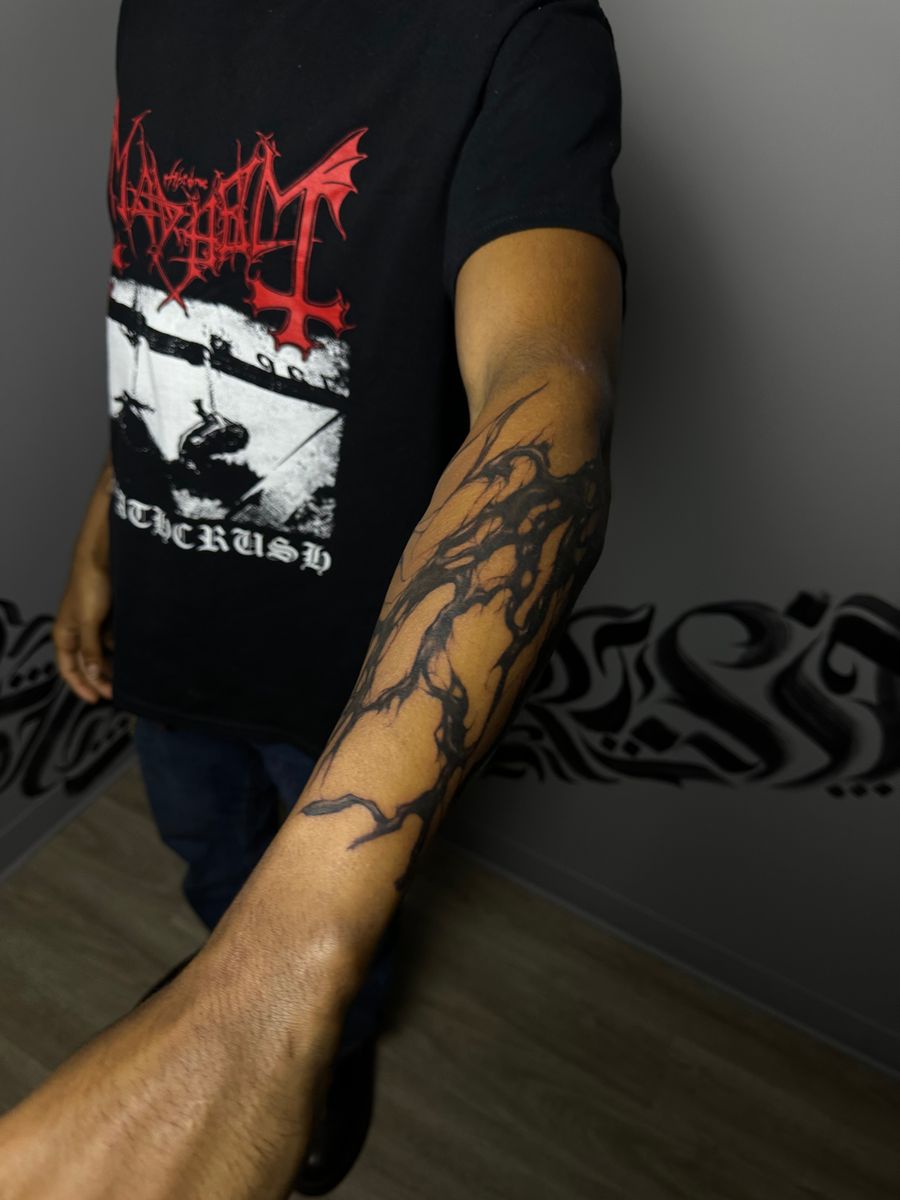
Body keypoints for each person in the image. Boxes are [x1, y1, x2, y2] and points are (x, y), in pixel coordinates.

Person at [2, 2, 627, 1196]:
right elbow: (162, 304)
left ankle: (331, 1054)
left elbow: (545, 394)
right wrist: (102, 532)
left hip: (351, 679)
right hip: (171, 623)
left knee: (339, 920)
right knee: (204, 846)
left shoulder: (523, 35)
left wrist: (279, 986)